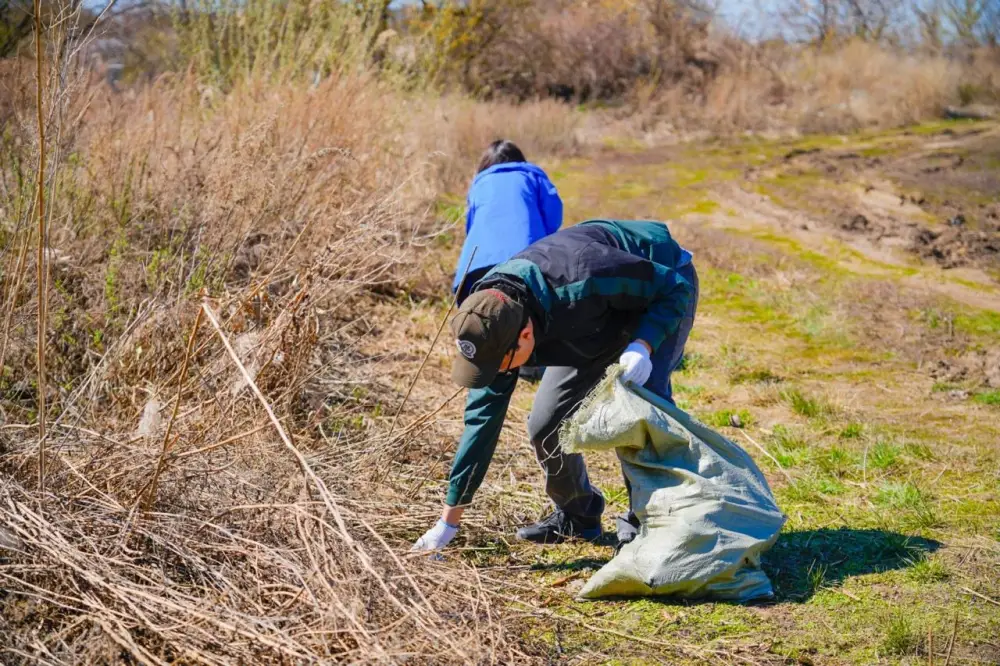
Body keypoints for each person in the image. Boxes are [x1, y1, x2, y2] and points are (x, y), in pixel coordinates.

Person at [413, 219, 698, 552]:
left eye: (500, 365)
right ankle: (579, 516)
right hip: (585, 322)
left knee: (643, 410)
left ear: (525, 336)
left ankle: (651, 524)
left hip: (658, 285)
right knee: (546, 424)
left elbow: (673, 287)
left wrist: (643, 344)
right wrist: (448, 523)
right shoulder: (492, 322)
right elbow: (480, 426)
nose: (498, 372)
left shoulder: (583, 274)